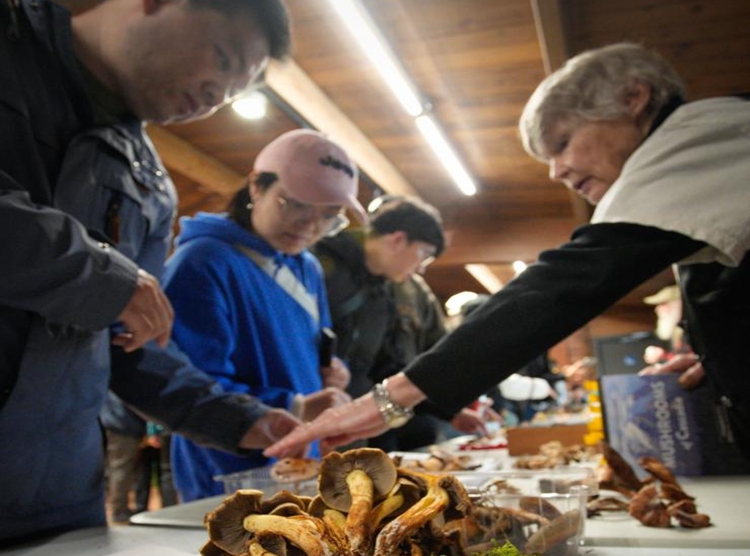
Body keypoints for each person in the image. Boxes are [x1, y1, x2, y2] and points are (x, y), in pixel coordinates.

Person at [264, 42, 750, 466]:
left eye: (563, 143)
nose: (557, 172)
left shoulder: (703, 136)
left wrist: (392, 399)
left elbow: (566, 284)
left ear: (633, 98)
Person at [0, 0, 301, 543]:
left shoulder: (150, 187)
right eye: (223, 57)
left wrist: (238, 419)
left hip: (52, 498)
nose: (215, 96)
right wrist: (97, 276)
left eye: (233, 92)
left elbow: (133, 345)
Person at [163, 129, 360, 500]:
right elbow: (186, 385)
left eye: (330, 215)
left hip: (302, 460)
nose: (310, 225)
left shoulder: (308, 268)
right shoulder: (203, 261)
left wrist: (333, 371)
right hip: (227, 467)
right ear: (256, 187)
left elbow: (318, 349)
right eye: (295, 203)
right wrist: (297, 404)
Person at [315, 195, 490, 449]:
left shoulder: (383, 291)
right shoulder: (321, 264)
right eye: (424, 254)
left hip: (356, 420)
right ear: (398, 239)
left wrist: (446, 410)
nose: (421, 268)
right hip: (305, 410)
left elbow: (390, 365)